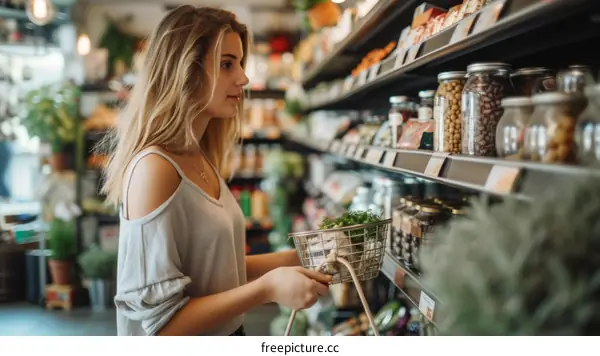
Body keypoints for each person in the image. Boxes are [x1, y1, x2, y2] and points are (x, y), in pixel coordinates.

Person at [100, 5, 332, 336]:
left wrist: (305, 256)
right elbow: (162, 328)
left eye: (239, 63)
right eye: (226, 64)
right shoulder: (155, 169)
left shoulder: (197, 155)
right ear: (185, 70)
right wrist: (266, 290)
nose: (244, 78)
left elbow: (217, 269)